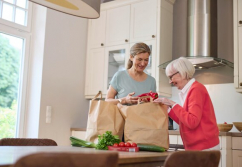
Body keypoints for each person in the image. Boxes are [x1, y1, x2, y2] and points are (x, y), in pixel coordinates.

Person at [154, 57, 219, 150]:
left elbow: (192, 122)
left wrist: (172, 104)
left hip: (204, 147)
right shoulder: (188, 90)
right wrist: (168, 109)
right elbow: (185, 121)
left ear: (182, 73)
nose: (170, 81)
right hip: (197, 147)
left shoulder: (196, 89)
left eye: (170, 77)